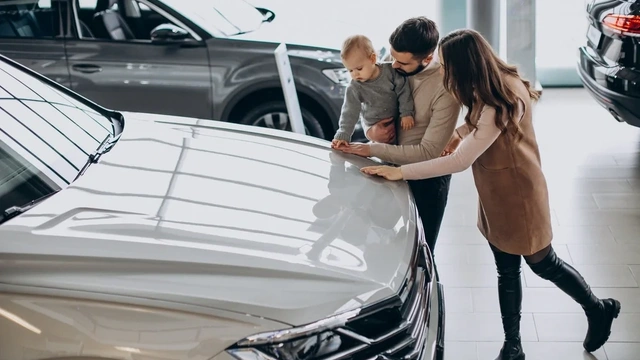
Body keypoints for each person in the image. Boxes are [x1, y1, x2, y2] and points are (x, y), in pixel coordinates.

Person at [360, 28, 621, 360]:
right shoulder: (492, 82)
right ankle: (513, 345)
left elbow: (461, 160)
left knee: (544, 264)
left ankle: (598, 309)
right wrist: (457, 132)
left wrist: (400, 171)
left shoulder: (502, 98)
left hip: (520, 197)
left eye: (448, 66)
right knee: (507, 269)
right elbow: (476, 122)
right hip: (496, 193)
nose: (446, 73)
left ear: (465, 66)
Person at [333, 17, 461, 254]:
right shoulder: (387, 69)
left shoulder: (446, 89)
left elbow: (428, 153)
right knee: (374, 252)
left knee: (420, 255)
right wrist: (372, 132)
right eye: (391, 56)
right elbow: (368, 107)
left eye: (401, 62)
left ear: (427, 58)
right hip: (387, 169)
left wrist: (371, 148)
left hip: (426, 181)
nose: (392, 65)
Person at [332, 34, 415, 147]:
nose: (355, 74)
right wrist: (343, 133)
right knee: (382, 151)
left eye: (359, 68)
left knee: (397, 150)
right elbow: (349, 112)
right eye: (350, 70)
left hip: (396, 121)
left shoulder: (391, 71)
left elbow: (403, 90)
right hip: (373, 125)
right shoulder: (355, 86)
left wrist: (406, 113)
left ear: (373, 59)